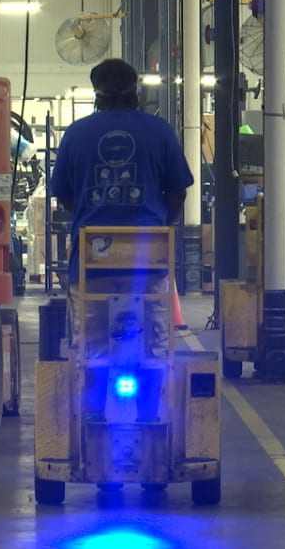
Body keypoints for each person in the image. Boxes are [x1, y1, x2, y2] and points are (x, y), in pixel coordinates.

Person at [49, 58, 194, 420]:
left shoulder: (76, 134)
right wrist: (159, 224)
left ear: (95, 93)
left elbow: (65, 197)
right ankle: (148, 416)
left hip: (90, 263)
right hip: (149, 261)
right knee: (153, 346)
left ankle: (95, 418)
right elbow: (178, 192)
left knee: (91, 349)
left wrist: (92, 217)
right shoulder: (159, 131)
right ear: (137, 90)